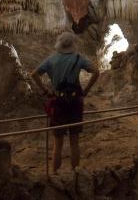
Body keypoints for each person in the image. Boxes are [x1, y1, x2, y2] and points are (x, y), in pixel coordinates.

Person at [31, 31, 99, 172]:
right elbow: (96, 72)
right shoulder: (79, 58)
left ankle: (55, 175)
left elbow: (34, 74)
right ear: (72, 45)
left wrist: (45, 91)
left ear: (60, 45)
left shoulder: (51, 59)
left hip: (58, 102)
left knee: (58, 144)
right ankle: (76, 175)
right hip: (75, 103)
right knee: (74, 143)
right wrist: (85, 91)